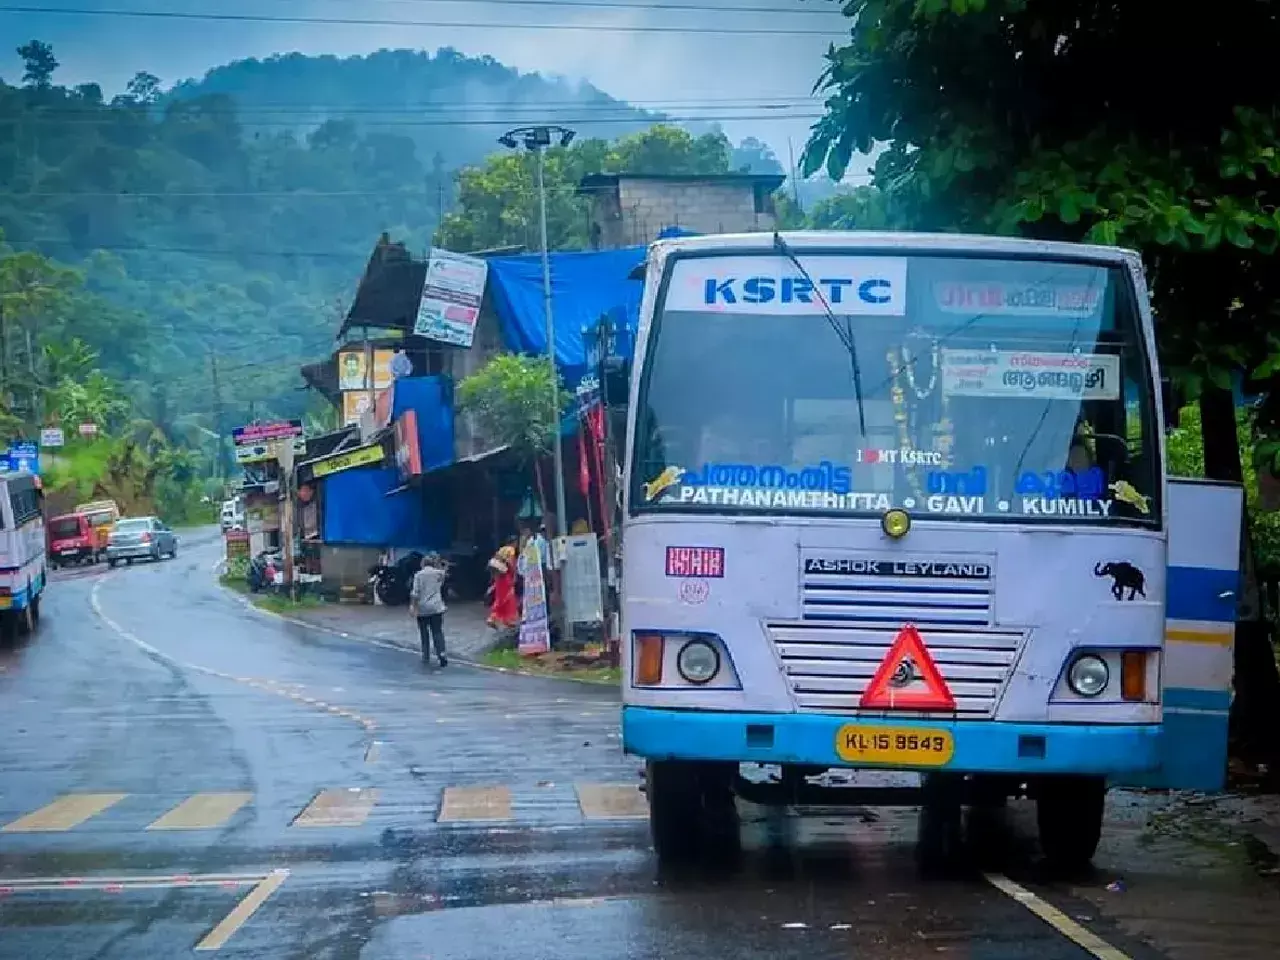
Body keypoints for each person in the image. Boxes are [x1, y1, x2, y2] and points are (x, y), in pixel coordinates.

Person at [409, 554, 448, 667]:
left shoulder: (418, 575)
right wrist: (442, 564)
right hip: (436, 607)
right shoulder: (439, 574)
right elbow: (445, 569)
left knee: (424, 633)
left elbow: (415, 593)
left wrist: (412, 606)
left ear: (422, 564)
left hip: (422, 608)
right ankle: (441, 654)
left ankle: (426, 656)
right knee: (437, 631)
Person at [486, 539, 520, 631]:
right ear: (514, 543)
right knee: (506, 598)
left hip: (498, 577)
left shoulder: (501, 549)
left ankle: (507, 620)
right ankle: (493, 617)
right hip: (506, 576)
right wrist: (514, 574)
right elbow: (511, 564)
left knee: (502, 598)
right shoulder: (511, 550)